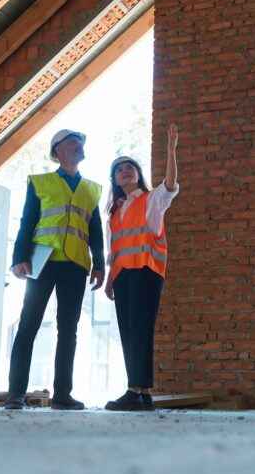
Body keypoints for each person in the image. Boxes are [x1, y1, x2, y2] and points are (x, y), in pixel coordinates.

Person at [5, 129, 105, 410]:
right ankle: (15, 395)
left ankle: (62, 395)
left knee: (68, 331)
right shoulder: (41, 183)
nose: (79, 146)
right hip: (43, 262)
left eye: (81, 143)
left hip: (75, 265)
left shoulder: (92, 189)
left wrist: (99, 265)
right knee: (28, 326)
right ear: (57, 150)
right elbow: (28, 221)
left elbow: (95, 231)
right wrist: (18, 258)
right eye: (73, 142)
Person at [103, 124, 179, 411]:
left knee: (140, 330)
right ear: (114, 179)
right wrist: (111, 281)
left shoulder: (151, 200)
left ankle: (133, 391)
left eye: (130, 167)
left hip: (146, 272)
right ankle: (144, 393)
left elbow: (170, 185)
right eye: (120, 169)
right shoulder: (115, 212)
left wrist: (171, 152)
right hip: (123, 277)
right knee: (128, 331)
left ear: (138, 175)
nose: (125, 170)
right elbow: (116, 251)